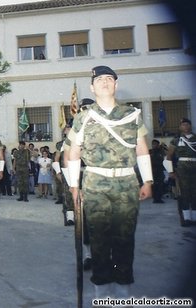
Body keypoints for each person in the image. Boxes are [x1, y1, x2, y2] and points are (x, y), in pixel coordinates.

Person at [67, 66, 152, 298]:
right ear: (92, 87)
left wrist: (148, 180)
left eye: (109, 78)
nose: (104, 82)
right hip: (95, 184)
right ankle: (102, 295)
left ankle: (124, 293)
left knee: (125, 239)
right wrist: (74, 185)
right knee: (99, 241)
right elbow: (73, 152)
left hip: (126, 183)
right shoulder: (83, 117)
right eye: (99, 79)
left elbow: (142, 149)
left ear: (116, 84)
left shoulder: (132, 115)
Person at [165, 118, 196, 226]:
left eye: (187, 124)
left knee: (195, 193)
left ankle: (194, 218)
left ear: (190, 126)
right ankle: (186, 218)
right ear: (180, 127)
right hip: (182, 169)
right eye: (183, 125)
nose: (186, 127)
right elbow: (169, 156)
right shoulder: (176, 140)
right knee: (183, 193)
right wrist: (170, 171)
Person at [150, 139, 166, 204]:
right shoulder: (150, 151)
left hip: (159, 170)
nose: (154, 145)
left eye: (155, 144)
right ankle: (155, 198)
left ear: (158, 145)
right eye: (153, 144)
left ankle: (158, 198)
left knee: (160, 184)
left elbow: (165, 155)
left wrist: (163, 147)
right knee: (154, 185)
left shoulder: (161, 151)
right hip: (153, 170)